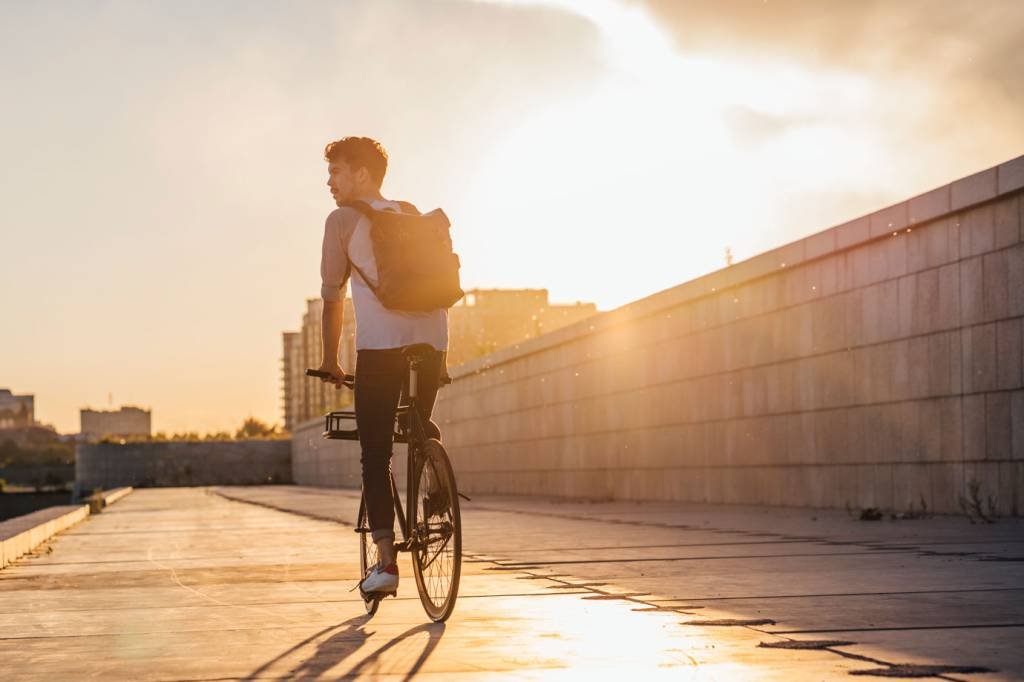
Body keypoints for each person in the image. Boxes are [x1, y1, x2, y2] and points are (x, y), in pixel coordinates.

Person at [315, 136, 448, 595]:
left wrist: (331, 361)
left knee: (375, 452)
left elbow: (332, 299)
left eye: (336, 171)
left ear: (362, 174)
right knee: (419, 424)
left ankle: (387, 563)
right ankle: (437, 488)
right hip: (434, 340)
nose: (329, 181)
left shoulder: (341, 221)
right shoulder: (408, 211)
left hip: (381, 348)